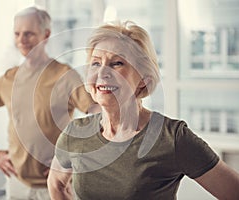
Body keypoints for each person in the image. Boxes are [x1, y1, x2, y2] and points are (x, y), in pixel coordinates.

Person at [47, 21, 239, 200]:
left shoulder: (172, 138)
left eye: (117, 63)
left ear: (143, 79)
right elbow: (56, 184)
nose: (102, 72)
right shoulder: (76, 133)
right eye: (96, 63)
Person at [0, 7, 96, 200]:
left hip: (57, 184)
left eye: (29, 34)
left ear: (46, 34)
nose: (21, 40)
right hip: (16, 183)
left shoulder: (65, 75)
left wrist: (74, 155)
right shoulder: (9, 79)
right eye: (17, 34)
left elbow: (100, 114)